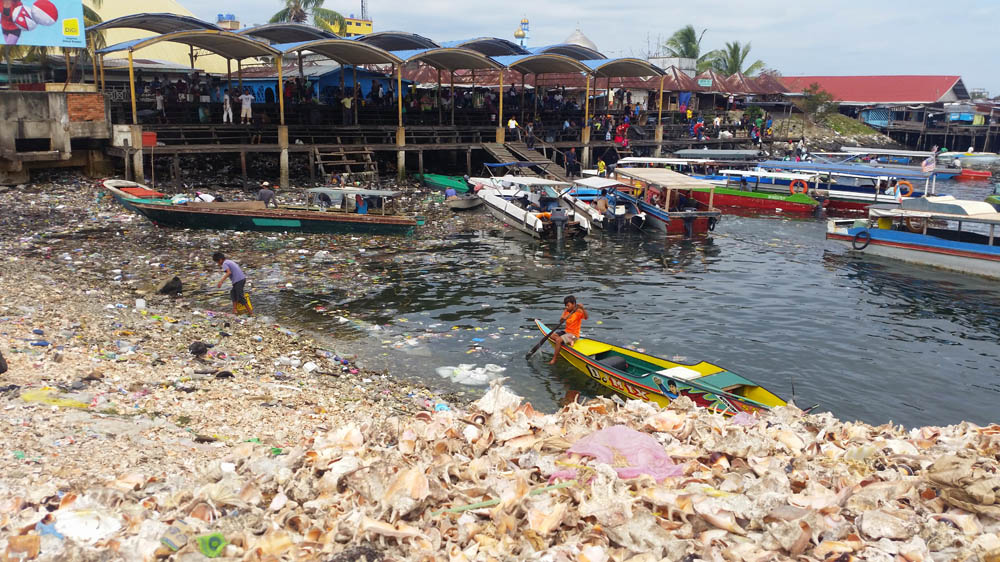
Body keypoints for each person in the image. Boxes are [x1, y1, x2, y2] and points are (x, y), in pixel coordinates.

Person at [548, 295, 587, 364]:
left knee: (558, 340)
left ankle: (554, 359)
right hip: (566, 332)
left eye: (568, 305)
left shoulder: (579, 312)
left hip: (574, 335)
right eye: (566, 305)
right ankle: (568, 341)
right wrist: (564, 317)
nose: (566, 307)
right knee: (552, 336)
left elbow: (586, 317)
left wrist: (583, 308)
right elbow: (561, 320)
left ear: (573, 304)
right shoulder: (566, 311)